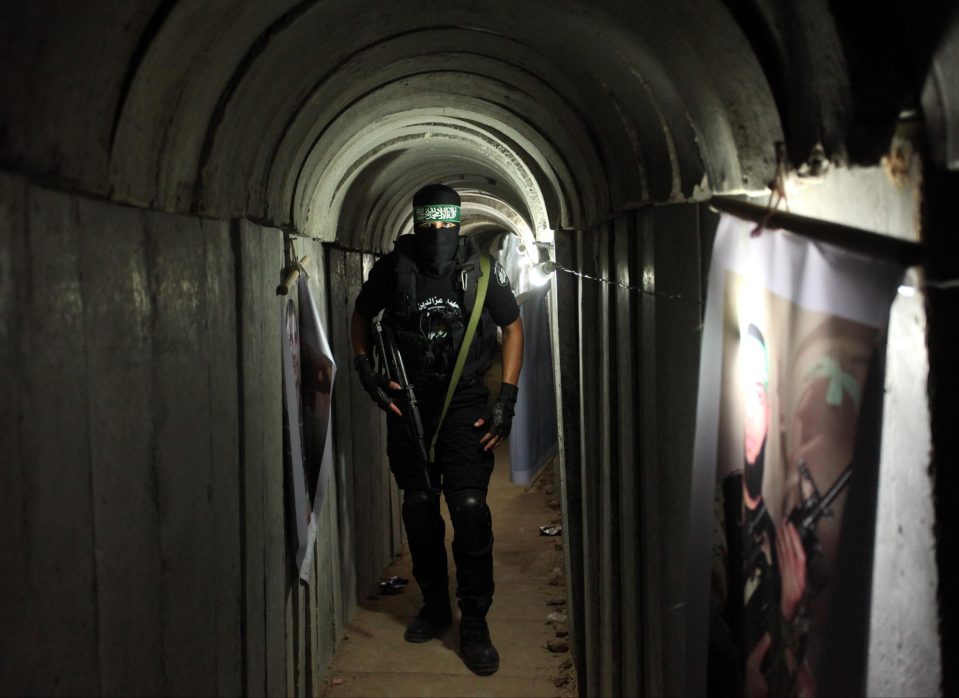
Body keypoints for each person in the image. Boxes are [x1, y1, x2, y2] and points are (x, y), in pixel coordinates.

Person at [350, 183, 524, 676]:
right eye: (430, 227)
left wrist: (506, 399)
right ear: (417, 224)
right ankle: (434, 604)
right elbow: (362, 315)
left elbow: (512, 327)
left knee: (469, 509)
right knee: (420, 507)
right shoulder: (394, 268)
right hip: (409, 403)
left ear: (458, 223)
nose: (440, 236)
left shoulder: (482, 270)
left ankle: (475, 621)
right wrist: (366, 369)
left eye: (448, 226)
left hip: (465, 401)